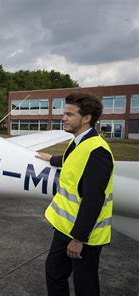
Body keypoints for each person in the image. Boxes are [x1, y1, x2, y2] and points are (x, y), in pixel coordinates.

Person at [36, 92, 114, 296]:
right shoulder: (78, 142)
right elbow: (71, 160)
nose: (63, 118)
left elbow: (93, 200)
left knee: (85, 287)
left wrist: (78, 239)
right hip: (64, 229)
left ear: (86, 118)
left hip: (84, 236)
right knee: (54, 272)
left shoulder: (98, 152)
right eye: (64, 113)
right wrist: (52, 159)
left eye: (69, 114)